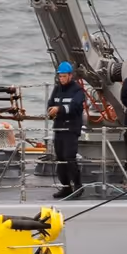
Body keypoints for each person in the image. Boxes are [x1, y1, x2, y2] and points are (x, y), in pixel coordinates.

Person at [47, 61, 85, 199]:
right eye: (60, 77)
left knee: (69, 157)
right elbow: (51, 103)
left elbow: (74, 107)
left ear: (70, 76)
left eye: (63, 76)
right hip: (59, 128)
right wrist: (51, 111)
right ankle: (65, 187)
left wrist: (60, 109)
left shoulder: (78, 90)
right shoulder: (57, 89)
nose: (61, 79)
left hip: (71, 129)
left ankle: (78, 186)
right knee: (60, 158)